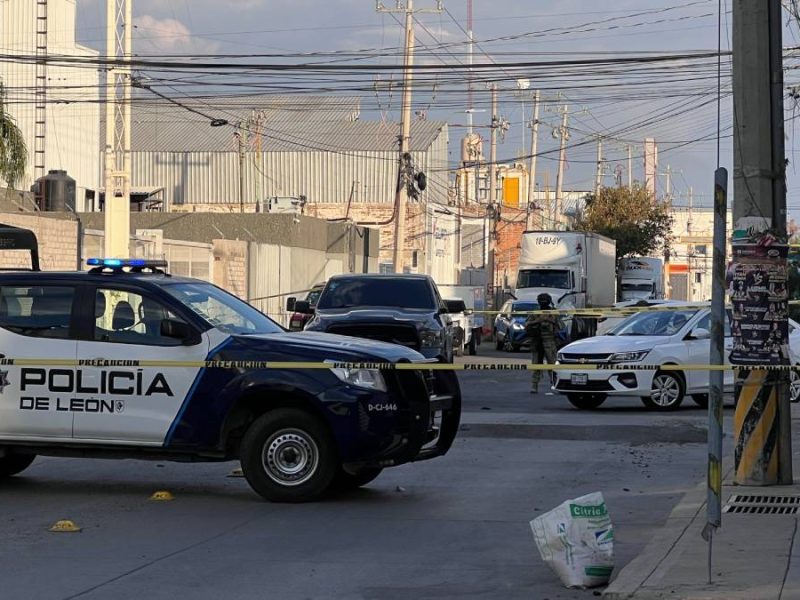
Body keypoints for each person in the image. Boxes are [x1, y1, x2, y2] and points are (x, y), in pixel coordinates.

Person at [525, 293, 564, 394]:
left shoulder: (553, 312)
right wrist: (538, 320)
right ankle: (534, 385)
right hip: (537, 342)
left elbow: (561, 326)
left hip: (550, 341)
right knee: (536, 365)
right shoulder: (535, 312)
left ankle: (555, 384)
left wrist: (550, 320)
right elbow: (527, 325)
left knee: (552, 365)